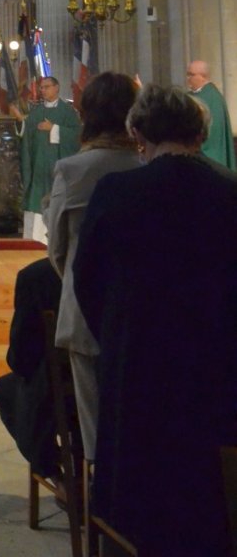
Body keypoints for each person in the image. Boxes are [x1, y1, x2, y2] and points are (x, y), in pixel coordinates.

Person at [74, 85, 237, 557]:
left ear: (138, 131)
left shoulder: (119, 191)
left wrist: (117, 330)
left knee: (138, 484)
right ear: (201, 133)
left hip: (137, 358)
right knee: (206, 484)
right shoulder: (229, 190)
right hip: (216, 359)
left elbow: (88, 278)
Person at [44, 71, 140, 459]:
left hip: (85, 310)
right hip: (143, 311)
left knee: (97, 425)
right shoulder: (144, 167)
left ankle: (100, 506)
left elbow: (58, 251)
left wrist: (76, 278)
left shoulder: (73, 170)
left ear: (87, 115)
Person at [0, 256, 62, 476]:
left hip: (62, 400)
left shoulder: (39, 276)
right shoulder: (127, 265)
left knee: (6, 389)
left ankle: (58, 475)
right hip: (119, 388)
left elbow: (22, 358)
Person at [9, 76, 80, 242]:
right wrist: (21, 120)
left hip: (58, 166)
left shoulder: (68, 112)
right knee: (37, 198)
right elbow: (27, 134)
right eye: (41, 87)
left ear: (57, 88)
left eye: (46, 87)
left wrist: (54, 128)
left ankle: (56, 239)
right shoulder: (37, 112)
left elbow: (77, 136)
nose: (43, 90)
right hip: (39, 167)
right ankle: (34, 239)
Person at [185, 59, 235, 169]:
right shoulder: (199, 95)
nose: (188, 78)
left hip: (209, 158)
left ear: (203, 76)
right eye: (187, 74)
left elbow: (211, 134)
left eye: (191, 75)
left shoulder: (211, 98)